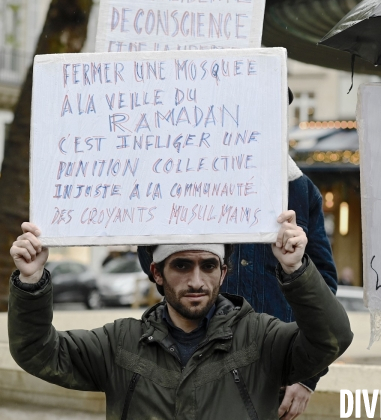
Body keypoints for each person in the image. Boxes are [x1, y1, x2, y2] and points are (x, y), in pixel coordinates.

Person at [8, 211, 353, 420]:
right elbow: (37, 351)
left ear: (224, 272)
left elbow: (331, 340)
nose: (196, 280)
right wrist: (31, 280)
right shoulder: (120, 343)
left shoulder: (261, 339)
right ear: (157, 273)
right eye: (182, 265)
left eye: (208, 265)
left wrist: (295, 270)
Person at [137, 88, 339, 419]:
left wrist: (307, 377)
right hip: (188, 367)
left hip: (271, 374)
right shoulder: (181, 178)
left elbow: (323, 290)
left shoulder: (300, 191)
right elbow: (152, 263)